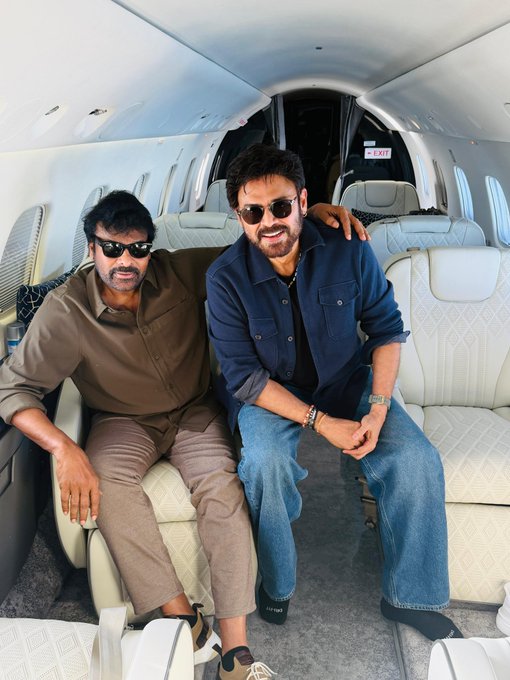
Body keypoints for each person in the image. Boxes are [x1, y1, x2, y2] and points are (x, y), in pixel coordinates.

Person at [0, 189, 364, 680]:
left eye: (138, 249)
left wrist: (308, 215)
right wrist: (64, 447)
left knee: (221, 488)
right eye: (112, 248)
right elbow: (13, 389)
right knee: (108, 483)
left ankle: (236, 653)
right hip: (121, 421)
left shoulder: (180, 271)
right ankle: (182, 617)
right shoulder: (65, 311)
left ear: (150, 248)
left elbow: (258, 249)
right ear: (91, 248)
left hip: (195, 412)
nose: (125, 261)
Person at [206, 143, 464, 642]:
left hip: (346, 379)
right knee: (265, 465)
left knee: (416, 459)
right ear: (239, 216)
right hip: (270, 392)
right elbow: (246, 379)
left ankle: (411, 598)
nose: (269, 222)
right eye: (253, 213)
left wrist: (379, 408)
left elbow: (387, 330)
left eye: (280, 206)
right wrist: (321, 424)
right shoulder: (225, 279)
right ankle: (277, 584)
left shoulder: (348, 248)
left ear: (303, 201)